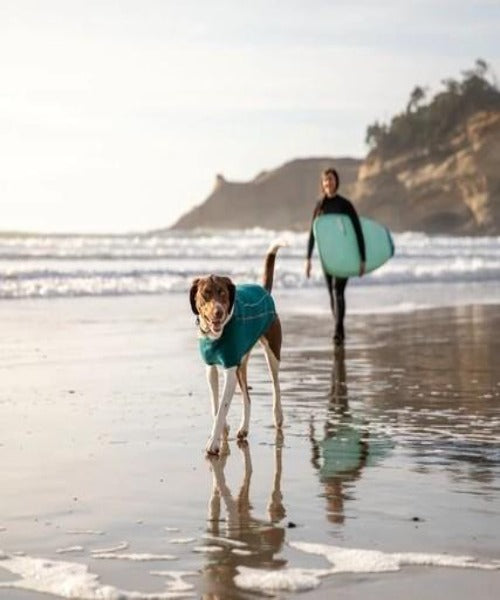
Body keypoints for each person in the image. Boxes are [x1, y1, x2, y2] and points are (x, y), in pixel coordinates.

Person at [305, 168, 366, 346]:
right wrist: (308, 259)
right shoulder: (319, 205)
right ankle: (339, 328)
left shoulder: (345, 204)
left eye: (330, 179)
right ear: (322, 184)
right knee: (331, 294)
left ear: (336, 181)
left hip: (343, 255)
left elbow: (357, 231)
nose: (328, 183)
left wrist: (362, 258)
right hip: (326, 256)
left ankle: (338, 330)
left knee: (337, 291)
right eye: (325, 180)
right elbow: (313, 233)